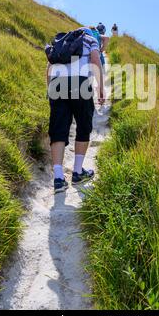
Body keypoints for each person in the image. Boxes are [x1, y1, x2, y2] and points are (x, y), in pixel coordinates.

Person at [46, 27, 105, 194]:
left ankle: (58, 178)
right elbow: (95, 60)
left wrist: (49, 90)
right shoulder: (90, 39)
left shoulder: (61, 41)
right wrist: (101, 87)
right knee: (84, 126)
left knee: (58, 129)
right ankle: (77, 172)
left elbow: (49, 66)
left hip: (57, 84)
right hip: (81, 83)